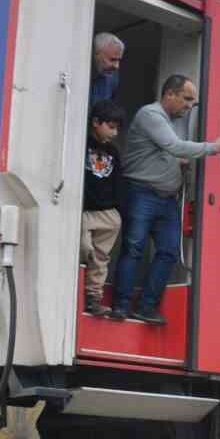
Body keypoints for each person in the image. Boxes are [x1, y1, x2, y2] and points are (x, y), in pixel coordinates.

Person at [109, 75, 220, 324]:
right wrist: (213, 148)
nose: (189, 106)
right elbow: (174, 146)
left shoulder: (172, 120)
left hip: (166, 199)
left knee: (168, 252)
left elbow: (166, 151)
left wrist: (178, 162)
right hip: (141, 192)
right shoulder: (150, 115)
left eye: (192, 102)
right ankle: (120, 306)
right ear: (169, 95)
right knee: (134, 249)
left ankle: (146, 307)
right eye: (186, 99)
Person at [80, 100, 126, 316]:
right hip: (84, 210)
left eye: (117, 128)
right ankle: (75, 290)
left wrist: (117, 209)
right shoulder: (81, 144)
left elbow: (117, 182)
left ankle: (93, 298)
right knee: (84, 248)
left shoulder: (113, 153)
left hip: (107, 213)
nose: (115, 133)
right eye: (111, 126)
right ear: (96, 122)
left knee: (101, 258)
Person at [90, 33, 124, 104]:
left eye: (118, 60)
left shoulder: (113, 76)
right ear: (96, 54)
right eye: (112, 59)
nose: (117, 66)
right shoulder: (79, 71)